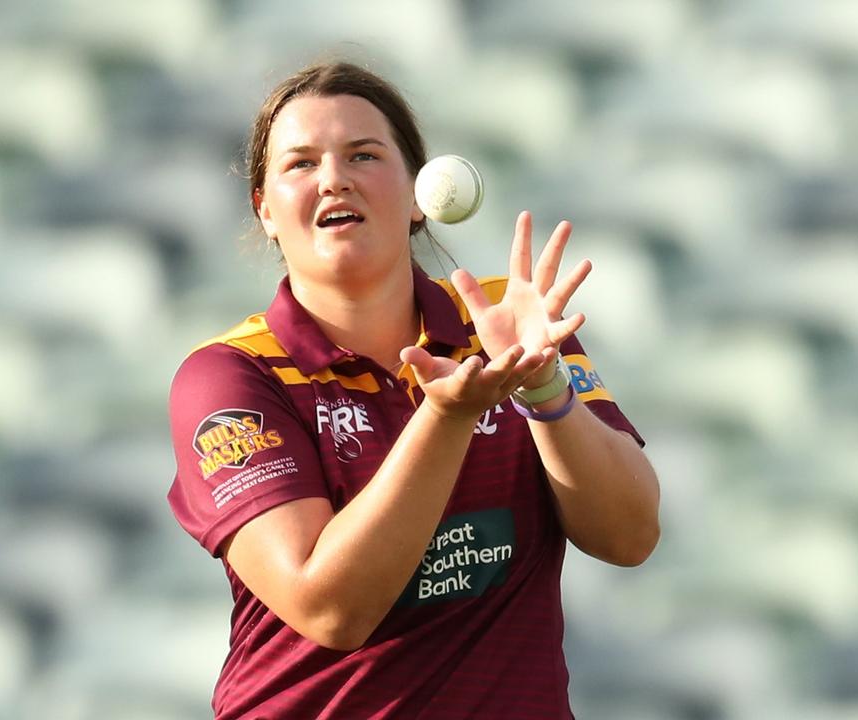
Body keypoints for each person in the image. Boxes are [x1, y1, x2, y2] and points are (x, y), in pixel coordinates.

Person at [166, 60, 661, 719]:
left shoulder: (506, 323)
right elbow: (329, 607)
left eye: (363, 155)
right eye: (300, 164)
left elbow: (630, 535)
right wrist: (446, 418)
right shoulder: (231, 375)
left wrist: (544, 387)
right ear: (266, 211)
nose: (334, 178)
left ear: (418, 195)